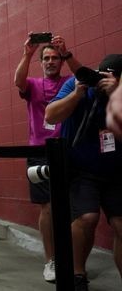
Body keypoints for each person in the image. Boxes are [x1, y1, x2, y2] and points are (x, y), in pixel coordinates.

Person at [45, 54, 122, 291]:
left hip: (117, 171)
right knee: (87, 218)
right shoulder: (76, 84)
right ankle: (77, 273)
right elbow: (51, 115)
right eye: (100, 75)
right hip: (81, 169)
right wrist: (77, 94)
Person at [13, 34, 82, 282]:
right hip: (39, 151)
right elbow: (17, 81)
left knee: (75, 206)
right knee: (48, 206)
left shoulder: (69, 80)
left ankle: (74, 262)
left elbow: (83, 76)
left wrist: (67, 53)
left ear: (60, 61)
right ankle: (50, 260)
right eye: (47, 58)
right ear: (41, 62)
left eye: (55, 58)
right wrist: (28, 53)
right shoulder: (33, 84)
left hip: (68, 149)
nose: (51, 62)